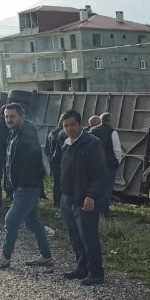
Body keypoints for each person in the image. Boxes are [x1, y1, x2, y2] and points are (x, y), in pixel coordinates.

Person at [0, 103, 52, 269]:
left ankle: (5, 256)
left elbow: (33, 162)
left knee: (11, 220)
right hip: (20, 187)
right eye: (6, 116)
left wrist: (23, 184)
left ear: (21, 117)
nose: (8, 119)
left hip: (27, 187)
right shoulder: (13, 133)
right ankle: (46, 256)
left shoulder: (26, 134)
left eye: (12, 116)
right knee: (33, 223)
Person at [57, 109, 107, 285]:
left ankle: (96, 273)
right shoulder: (66, 142)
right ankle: (82, 267)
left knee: (88, 236)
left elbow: (99, 173)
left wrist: (91, 195)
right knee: (74, 235)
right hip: (68, 196)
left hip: (84, 198)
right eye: (65, 126)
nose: (69, 128)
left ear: (79, 124)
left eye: (72, 124)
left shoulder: (92, 143)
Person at [88, 112, 123, 217]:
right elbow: (117, 149)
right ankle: (103, 212)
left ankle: (93, 209)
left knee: (94, 187)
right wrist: (117, 162)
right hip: (108, 165)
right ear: (109, 120)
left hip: (94, 165)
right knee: (106, 189)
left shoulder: (92, 131)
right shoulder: (112, 132)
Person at [44, 119, 66, 206]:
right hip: (61, 161)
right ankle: (60, 201)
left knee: (57, 182)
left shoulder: (51, 133)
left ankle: (56, 201)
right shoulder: (64, 134)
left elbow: (46, 148)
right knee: (62, 182)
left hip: (53, 161)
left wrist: (49, 156)